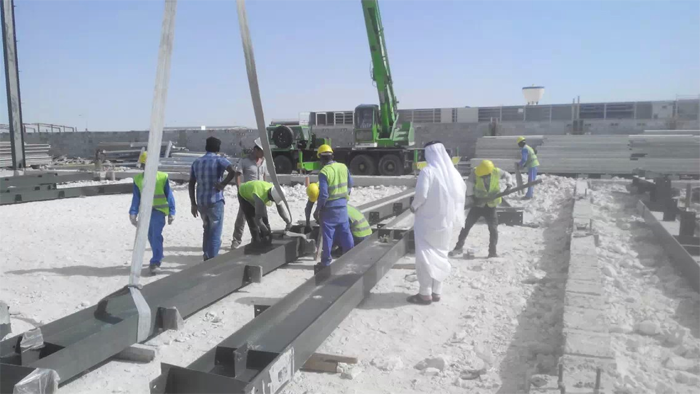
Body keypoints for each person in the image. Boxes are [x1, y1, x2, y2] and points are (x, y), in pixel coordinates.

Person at [408, 141, 466, 305]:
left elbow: (421, 195)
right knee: (441, 253)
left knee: (425, 256)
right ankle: (437, 292)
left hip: (427, 223)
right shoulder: (452, 173)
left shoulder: (428, 172)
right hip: (446, 223)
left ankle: (425, 294)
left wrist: (413, 207)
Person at [450, 159, 514, 259]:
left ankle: (492, 252)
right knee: (466, 226)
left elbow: (508, 175)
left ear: (489, 173)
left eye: (485, 176)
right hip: (477, 205)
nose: (483, 178)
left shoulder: (496, 171)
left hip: (491, 206)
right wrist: (473, 198)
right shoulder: (475, 173)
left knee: (493, 229)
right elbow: (469, 187)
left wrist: (509, 185)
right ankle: (458, 247)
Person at [189, 137, 237, 260]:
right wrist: (223, 184)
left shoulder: (197, 162)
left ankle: (206, 255)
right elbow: (232, 171)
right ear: (218, 148)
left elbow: (191, 183)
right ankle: (212, 260)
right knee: (215, 233)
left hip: (201, 203)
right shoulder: (219, 160)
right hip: (215, 201)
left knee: (207, 229)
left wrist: (193, 203)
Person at [129, 151, 176, 275]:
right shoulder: (138, 179)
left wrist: (172, 212)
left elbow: (169, 195)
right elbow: (136, 197)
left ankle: (155, 261)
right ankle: (158, 254)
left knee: (156, 236)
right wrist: (133, 212)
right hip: (145, 212)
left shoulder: (162, 177)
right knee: (150, 236)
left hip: (158, 212)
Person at [315, 144, 354, 267]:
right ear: (332, 155)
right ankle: (351, 256)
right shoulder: (343, 167)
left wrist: (318, 209)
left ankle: (326, 262)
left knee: (328, 236)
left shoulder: (324, 172)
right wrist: (344, 199)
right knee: (345, 232)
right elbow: (350, 184)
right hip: (342, 207)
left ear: (321, 158)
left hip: (329, 209)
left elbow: (324, 195)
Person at [305, 182, 372, 248]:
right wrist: (307, 223)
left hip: (359, 237)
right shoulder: (314, 190)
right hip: (367, 235)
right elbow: (309, 206)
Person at [231, 138, 268, 249]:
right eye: (262, 151)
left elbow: (264, 177)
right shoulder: (245, 161)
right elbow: (238, 175)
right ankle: (236, 240)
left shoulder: (264, 161)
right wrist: (239, 189)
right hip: (247, 195)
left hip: (260, 195)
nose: (263, 153)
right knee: (241, 218)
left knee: (261, 217)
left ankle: (259, 238)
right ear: (255, 150)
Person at [237, 180, 292, 245]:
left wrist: (288, 222)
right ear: (271, 197)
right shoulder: (260, 198)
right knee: (253, 223)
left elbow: (281, 210)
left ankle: (265, 242)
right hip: (244, 195)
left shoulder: (275, 190)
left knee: (265, 220)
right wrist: (266, 231)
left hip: (255, 192)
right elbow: (258, 220)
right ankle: (256, 242)